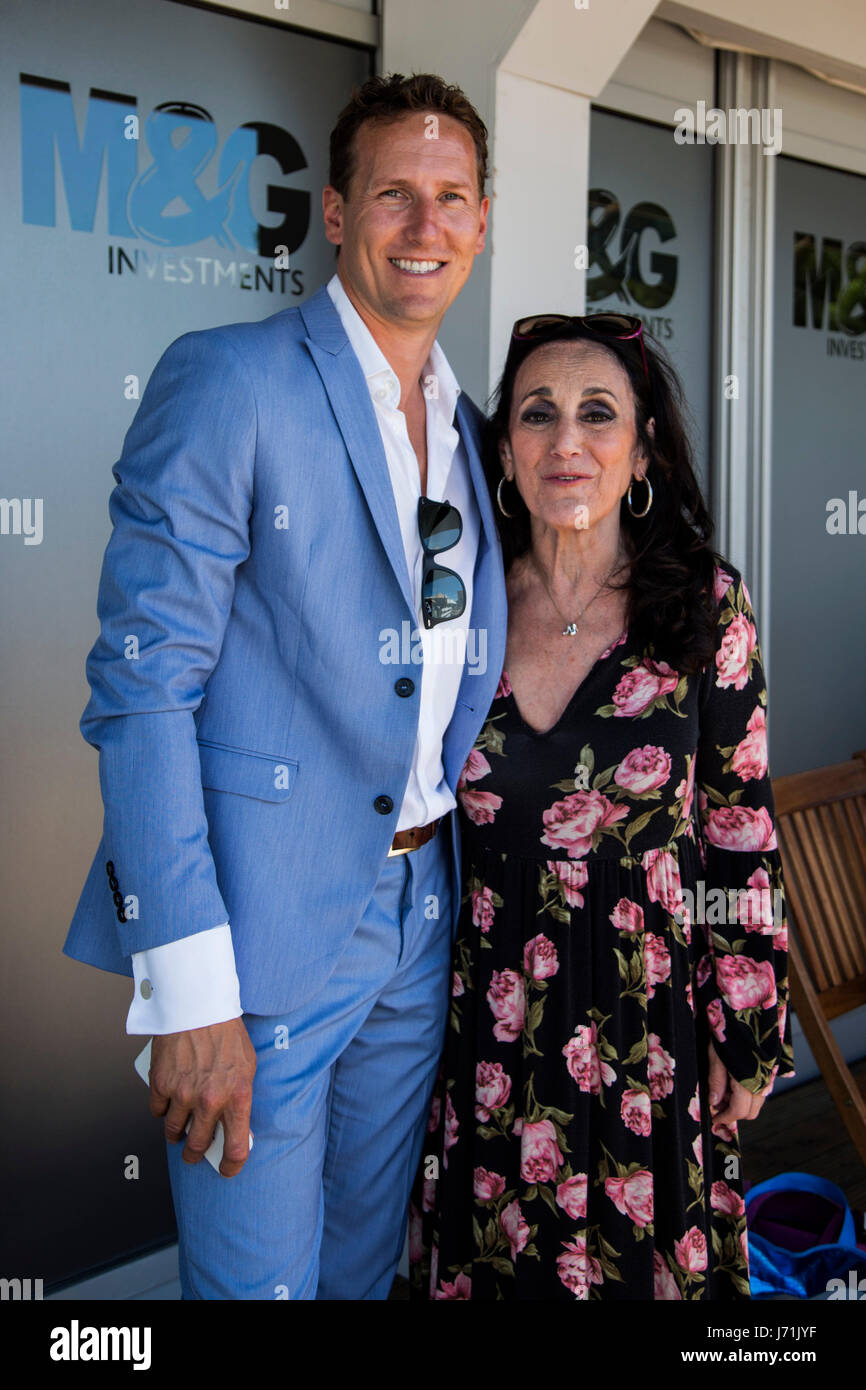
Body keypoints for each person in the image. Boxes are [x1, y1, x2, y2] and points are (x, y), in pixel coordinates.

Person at [63, 72, 507, 1300]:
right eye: (393, 196)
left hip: (423, 912)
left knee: (363, 1268)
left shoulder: (472, 430)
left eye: (451, 198)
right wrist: (189, 986)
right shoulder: (231, 377)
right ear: (334, 211)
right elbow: (141, 689)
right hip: (258, 932)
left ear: (480, 222)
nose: (424, 226)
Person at [409, 311, 795, 1300]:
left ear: (641, 447)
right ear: (503, 448)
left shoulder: (704, 607)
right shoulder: (456, 604)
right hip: (491, 1025)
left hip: (649, 1023)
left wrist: (744, 1018)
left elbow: (736, 829)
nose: (566, 439)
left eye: (596, 413)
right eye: (537, 414)